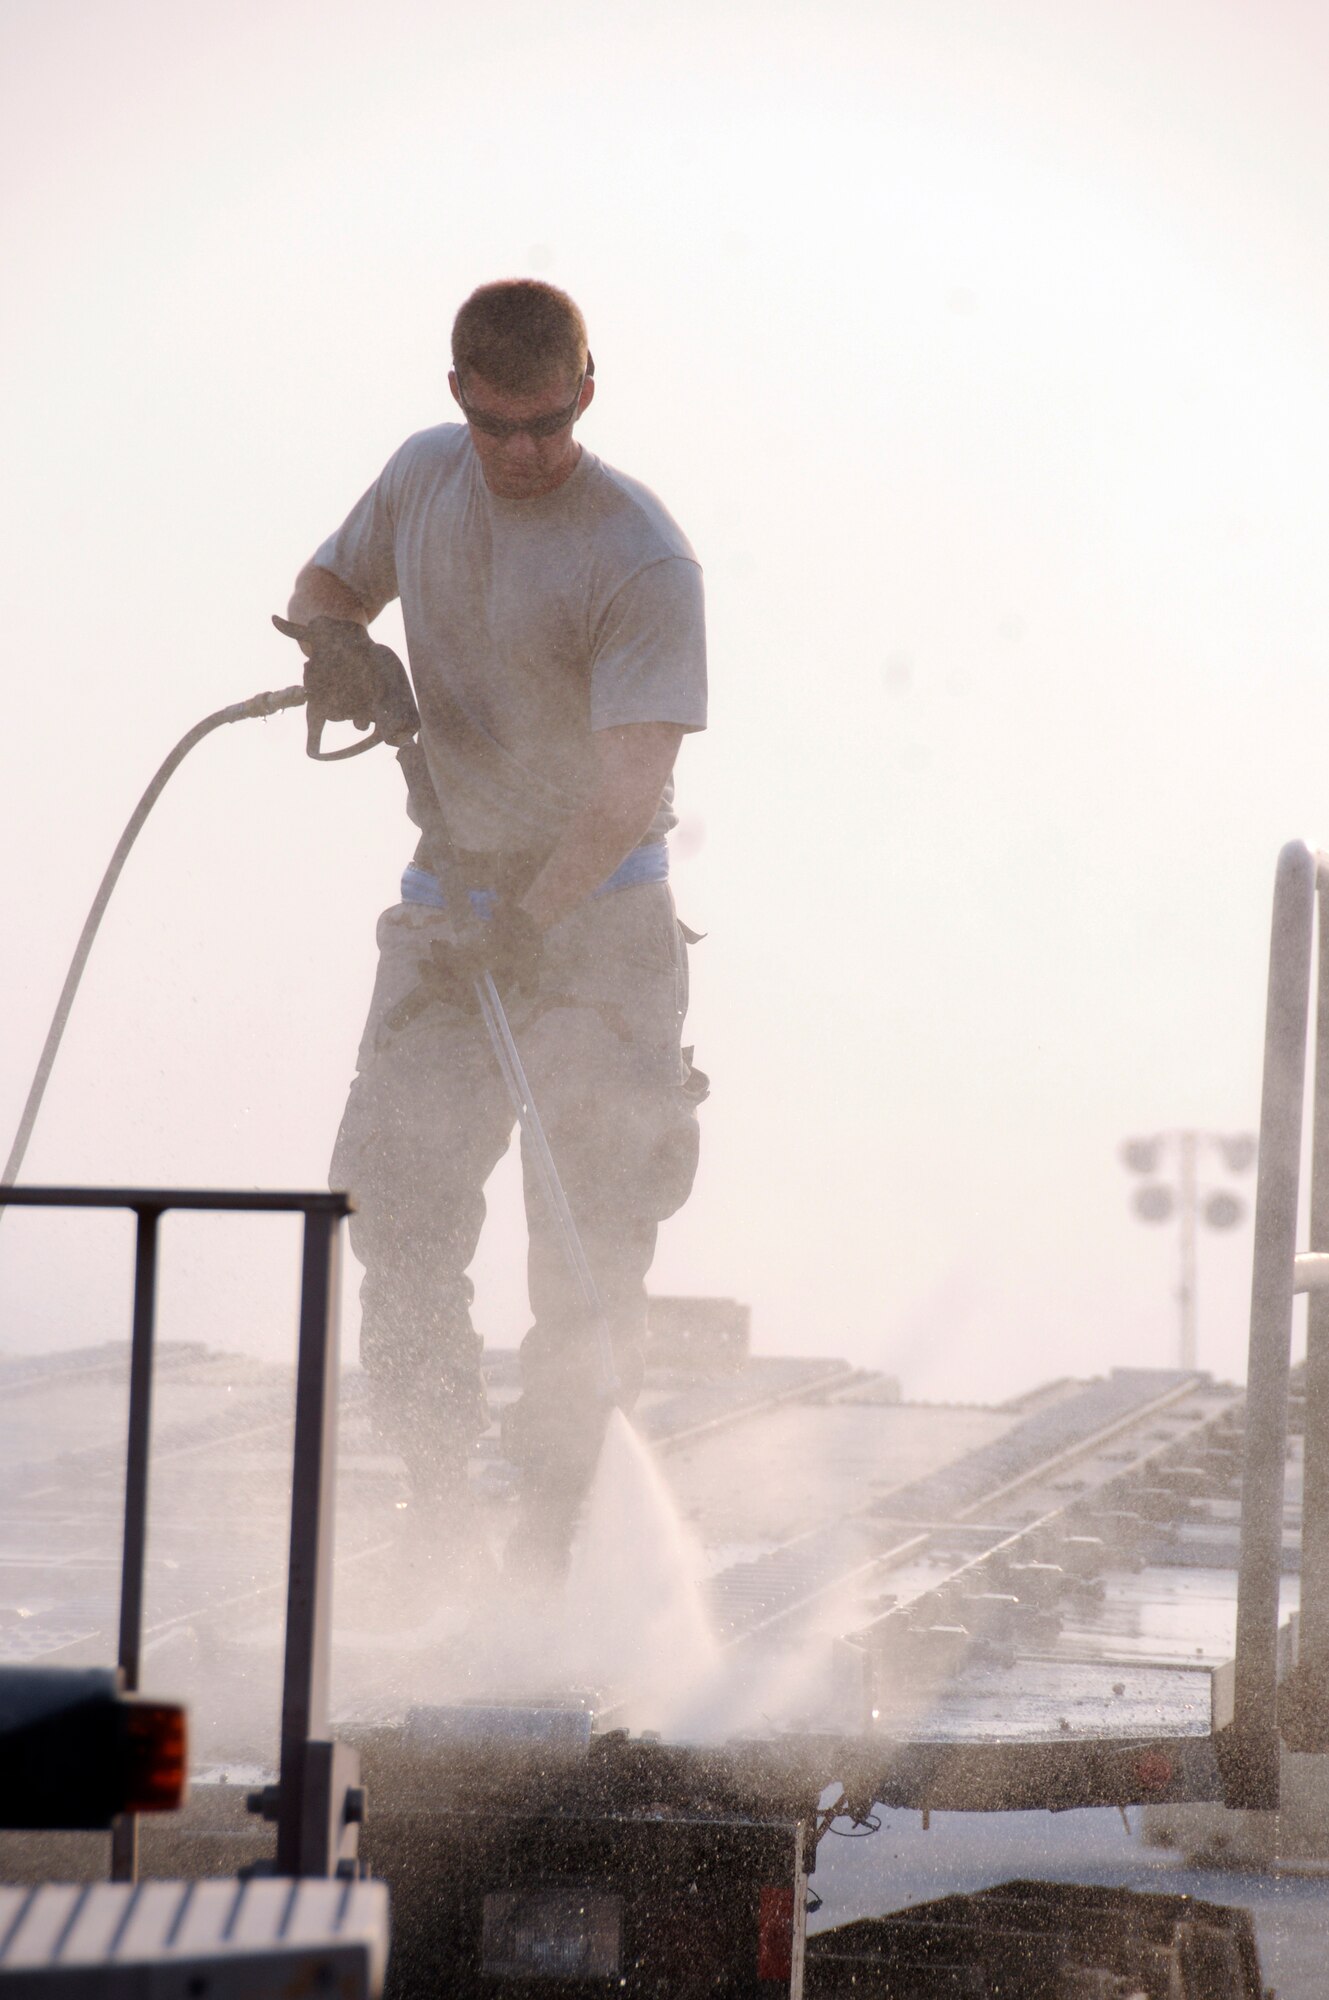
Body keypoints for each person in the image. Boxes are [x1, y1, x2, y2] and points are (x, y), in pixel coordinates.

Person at [283, 280, 707, 1578]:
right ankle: (437, 1494)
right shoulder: (422, 480)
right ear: (458, 395)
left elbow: (628, 786)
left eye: (549, 422)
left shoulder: (637, 554)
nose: (525, 452)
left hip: (597, 921)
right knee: (398, 1207)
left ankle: (548, 1529)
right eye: (499, 424)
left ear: (587, 391)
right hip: (446, 899)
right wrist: (335, 643)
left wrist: (526, 925)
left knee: (583, 1243)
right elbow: (323, 583)